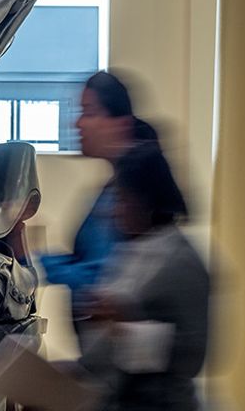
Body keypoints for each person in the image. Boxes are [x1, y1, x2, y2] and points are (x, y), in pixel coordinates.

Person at [78, 142, 210, 411]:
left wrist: (123, 321)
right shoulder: (128, 251)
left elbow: (193, 356)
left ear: (146, 202)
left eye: (122, 200)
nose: (114, 210)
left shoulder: (181, 261)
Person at [39, 71, 158, 347]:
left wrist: (38, 263)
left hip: (118, 352)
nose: (78, 123)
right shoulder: (109, 188)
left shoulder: (127, 198)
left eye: (89, 113)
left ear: (121, 123)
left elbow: (102, 277)